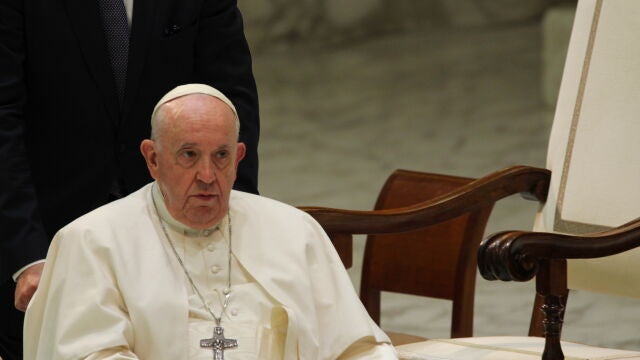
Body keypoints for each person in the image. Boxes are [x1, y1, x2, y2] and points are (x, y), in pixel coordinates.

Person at [23, 84, 397, 359]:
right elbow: (88, 354)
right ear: (152, 159)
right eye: (188, 154)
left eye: (220, 156)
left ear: (238, 158)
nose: (207, 174)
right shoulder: (91, 242)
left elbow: (357, 347)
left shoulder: (294, 231)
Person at [0, 0, 259, 358]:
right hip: (48, 236)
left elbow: (230, 106)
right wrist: (26, 255)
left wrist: (237, 233)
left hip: (178, 230)